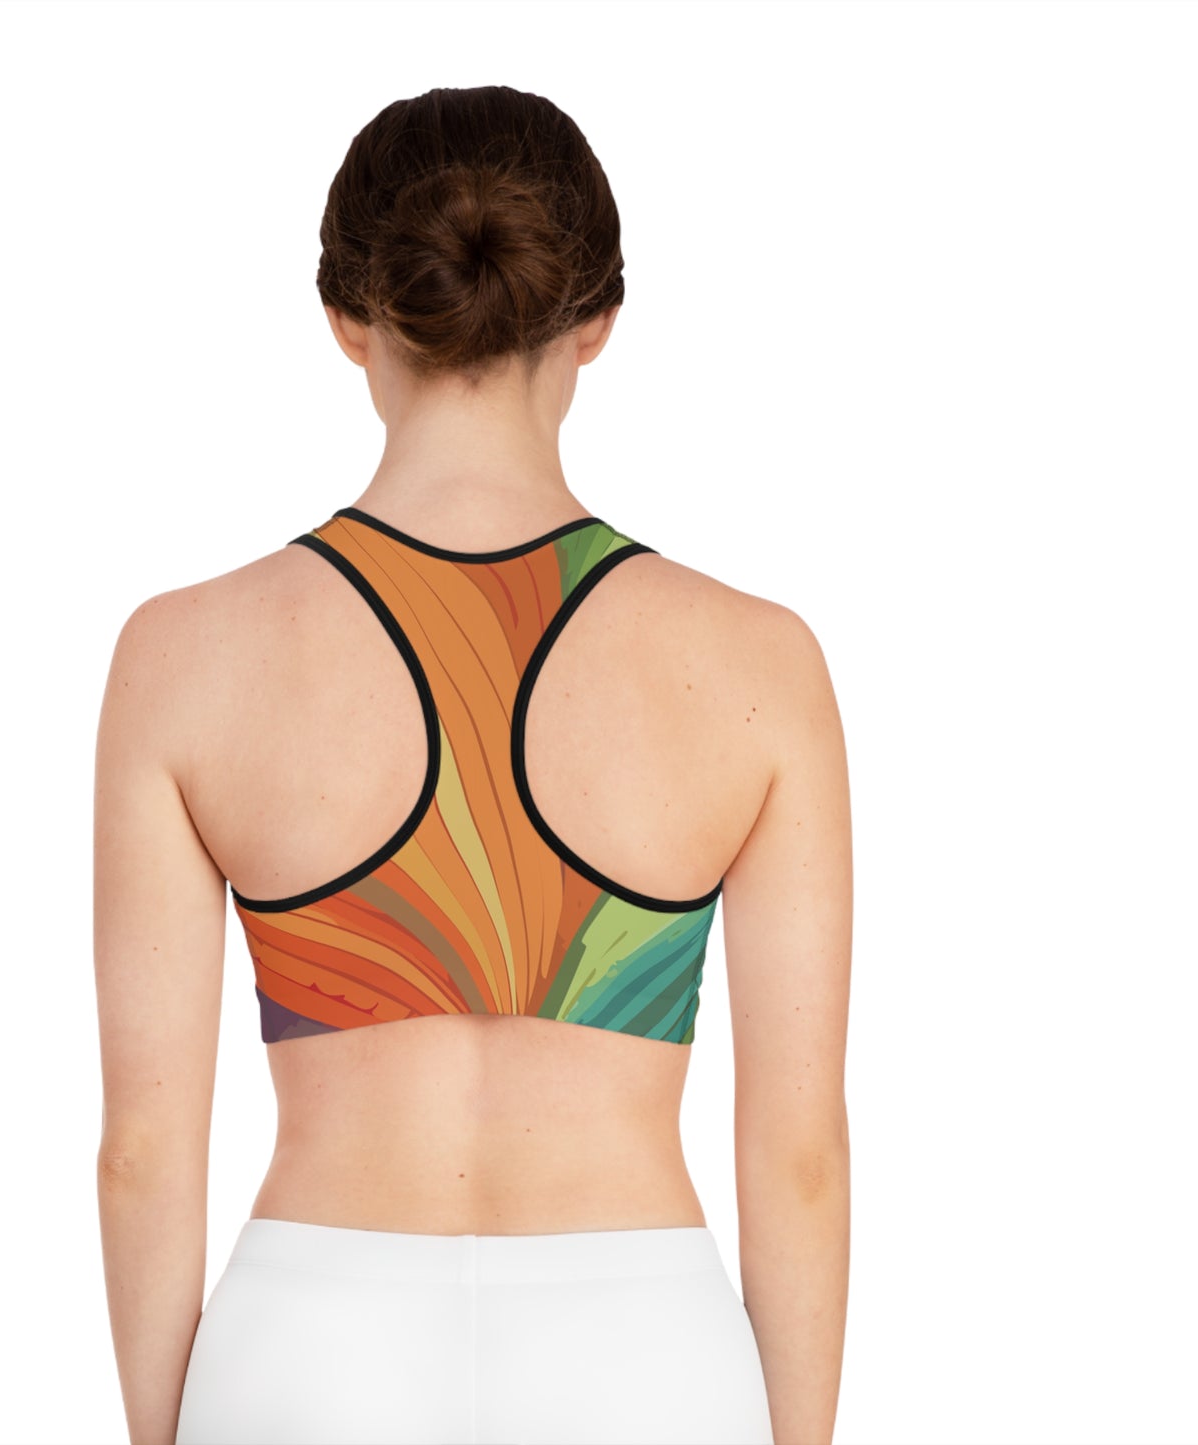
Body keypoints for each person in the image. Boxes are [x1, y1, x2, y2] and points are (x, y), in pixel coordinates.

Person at [94, 84, 851, 1445]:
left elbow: (142, 1151)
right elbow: (797, 1157)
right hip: (640, 1353)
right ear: (596, 320)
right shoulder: (757, 663)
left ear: (348, 317)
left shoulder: (184, 655)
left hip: (310, 1346)